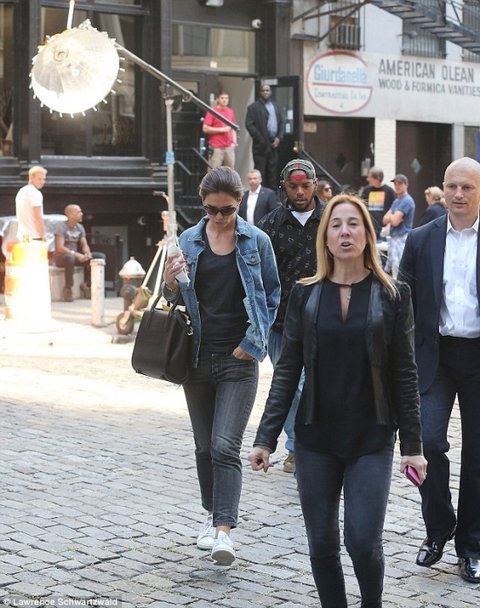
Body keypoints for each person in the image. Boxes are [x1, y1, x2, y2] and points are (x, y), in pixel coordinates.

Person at [250, 193, 427, 608]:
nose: (344, 232)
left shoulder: (393, 295)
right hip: (315, 438)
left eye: (353, 224)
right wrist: (265, 438)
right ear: (325, 238)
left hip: (372, 437)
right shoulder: (305, 295)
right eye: (336, 225)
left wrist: (413, 446)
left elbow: (405, 374)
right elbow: (287, 371)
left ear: (367, 234)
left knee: (362, 540)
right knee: (322, 545)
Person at [162, 166, 280, 566]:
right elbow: (173, 297)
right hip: (195, 358)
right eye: (211, 209)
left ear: (239, 203)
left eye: (226, 210)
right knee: (203, 446)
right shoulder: (188, 240)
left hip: (238, 360)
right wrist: (171, 281)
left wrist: (253, 342)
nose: (218, 217)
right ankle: (211, 512)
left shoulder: (257, 241)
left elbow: (272, 295)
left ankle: (223, 532)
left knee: (225, 445)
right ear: (203, 204)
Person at [399, 157, 480, 583]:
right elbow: (402, 305)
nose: (458, 194)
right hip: (435, 356)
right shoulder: (420, 239)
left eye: (467, 187)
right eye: (452, 186)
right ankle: (439, 526)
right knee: (425, 442)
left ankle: (472, 546)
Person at [257, 158, 324, 474]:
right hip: (281, 322)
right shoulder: (269, 225)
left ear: (314, 184)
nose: (299, 192)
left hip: (324, 319)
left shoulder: (330, 220)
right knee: (290, 385)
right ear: (284, 186)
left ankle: (312, 445)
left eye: (305, 186)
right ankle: (298, 447)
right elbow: (258, 274)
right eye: (293, 186)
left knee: (314, 383)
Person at [53, 204, 106, 302]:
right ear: (70, 214)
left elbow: (84, 244)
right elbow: (60, 247)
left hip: (75, 256)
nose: (81, 214)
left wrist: (87, 253)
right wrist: (76, 254)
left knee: (99, 256)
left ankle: (88, 285)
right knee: (69, 258)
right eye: (78, 212)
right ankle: (68, 288)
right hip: (62, 257)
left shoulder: (80, 227)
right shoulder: (61, 226)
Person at [245, 84, 284, 190]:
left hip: (274, 144)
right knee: (260, 172)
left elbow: (281, 123)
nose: (265, 92)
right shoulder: (253, 107)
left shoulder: (276, 107)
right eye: (263, 90)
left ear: (270, 92)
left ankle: (272, 196)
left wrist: (279, 138)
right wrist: (260, 139)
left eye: (267, 90)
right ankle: (259, 195)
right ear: (260, 92)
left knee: (273, 173)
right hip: (261, 145)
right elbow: (249, 125)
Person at [382, 173, 415, 278]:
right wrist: (392, 217)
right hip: (394, 238)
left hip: (401, 238)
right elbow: (384, 219)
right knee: (391, 268)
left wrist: (392, 218)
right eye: (395, 184)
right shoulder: (396, 201)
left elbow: (395, 221)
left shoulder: (407, 201)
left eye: (400, 183)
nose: (397, 186)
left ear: (406, 185)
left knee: (398, 269)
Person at [202, 91, 237, 170]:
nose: (224, 100)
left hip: (229, 146)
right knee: (214, 171)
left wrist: (234, 142)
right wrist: (221, 130)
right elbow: (205, 128)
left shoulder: (230, 111)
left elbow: (233, 127)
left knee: (230, 171)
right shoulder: (212, 112)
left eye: (226, 98)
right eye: (222, 98)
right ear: (217, 99)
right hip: (216, 147)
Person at [361, 166, 396, 238]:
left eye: (370, 177)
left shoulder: (389, 191)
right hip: (369, 227)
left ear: (378, 178)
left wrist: (389, 225)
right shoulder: (366, 190)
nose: (367, 179)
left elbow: (394, 210)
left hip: (384, 230)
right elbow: (362, 208)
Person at [15, 165, 47, 241]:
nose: (42, 182)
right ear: (31, 177)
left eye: (44, 179)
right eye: (39, 179)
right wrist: (43, 236)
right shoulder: (35, 193)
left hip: (22, 235)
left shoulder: (21, 191)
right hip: (34, 236)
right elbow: (37, 217)